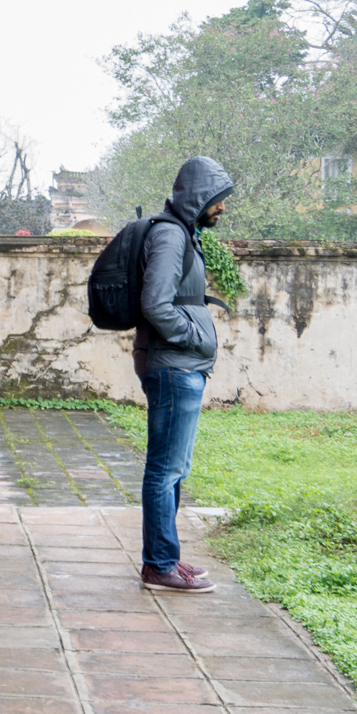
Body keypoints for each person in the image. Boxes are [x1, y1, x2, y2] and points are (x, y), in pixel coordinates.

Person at [135, 156, 236, 591]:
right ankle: (159, 565)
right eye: (218, 200)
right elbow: (156, 304)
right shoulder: (171, 236)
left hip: (179, 365)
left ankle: (166, 557)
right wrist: (194, 338)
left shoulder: (183, 234)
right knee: (164, 469)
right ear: (199, 197)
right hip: (174, 366)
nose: (223, 208)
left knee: (174, 468)